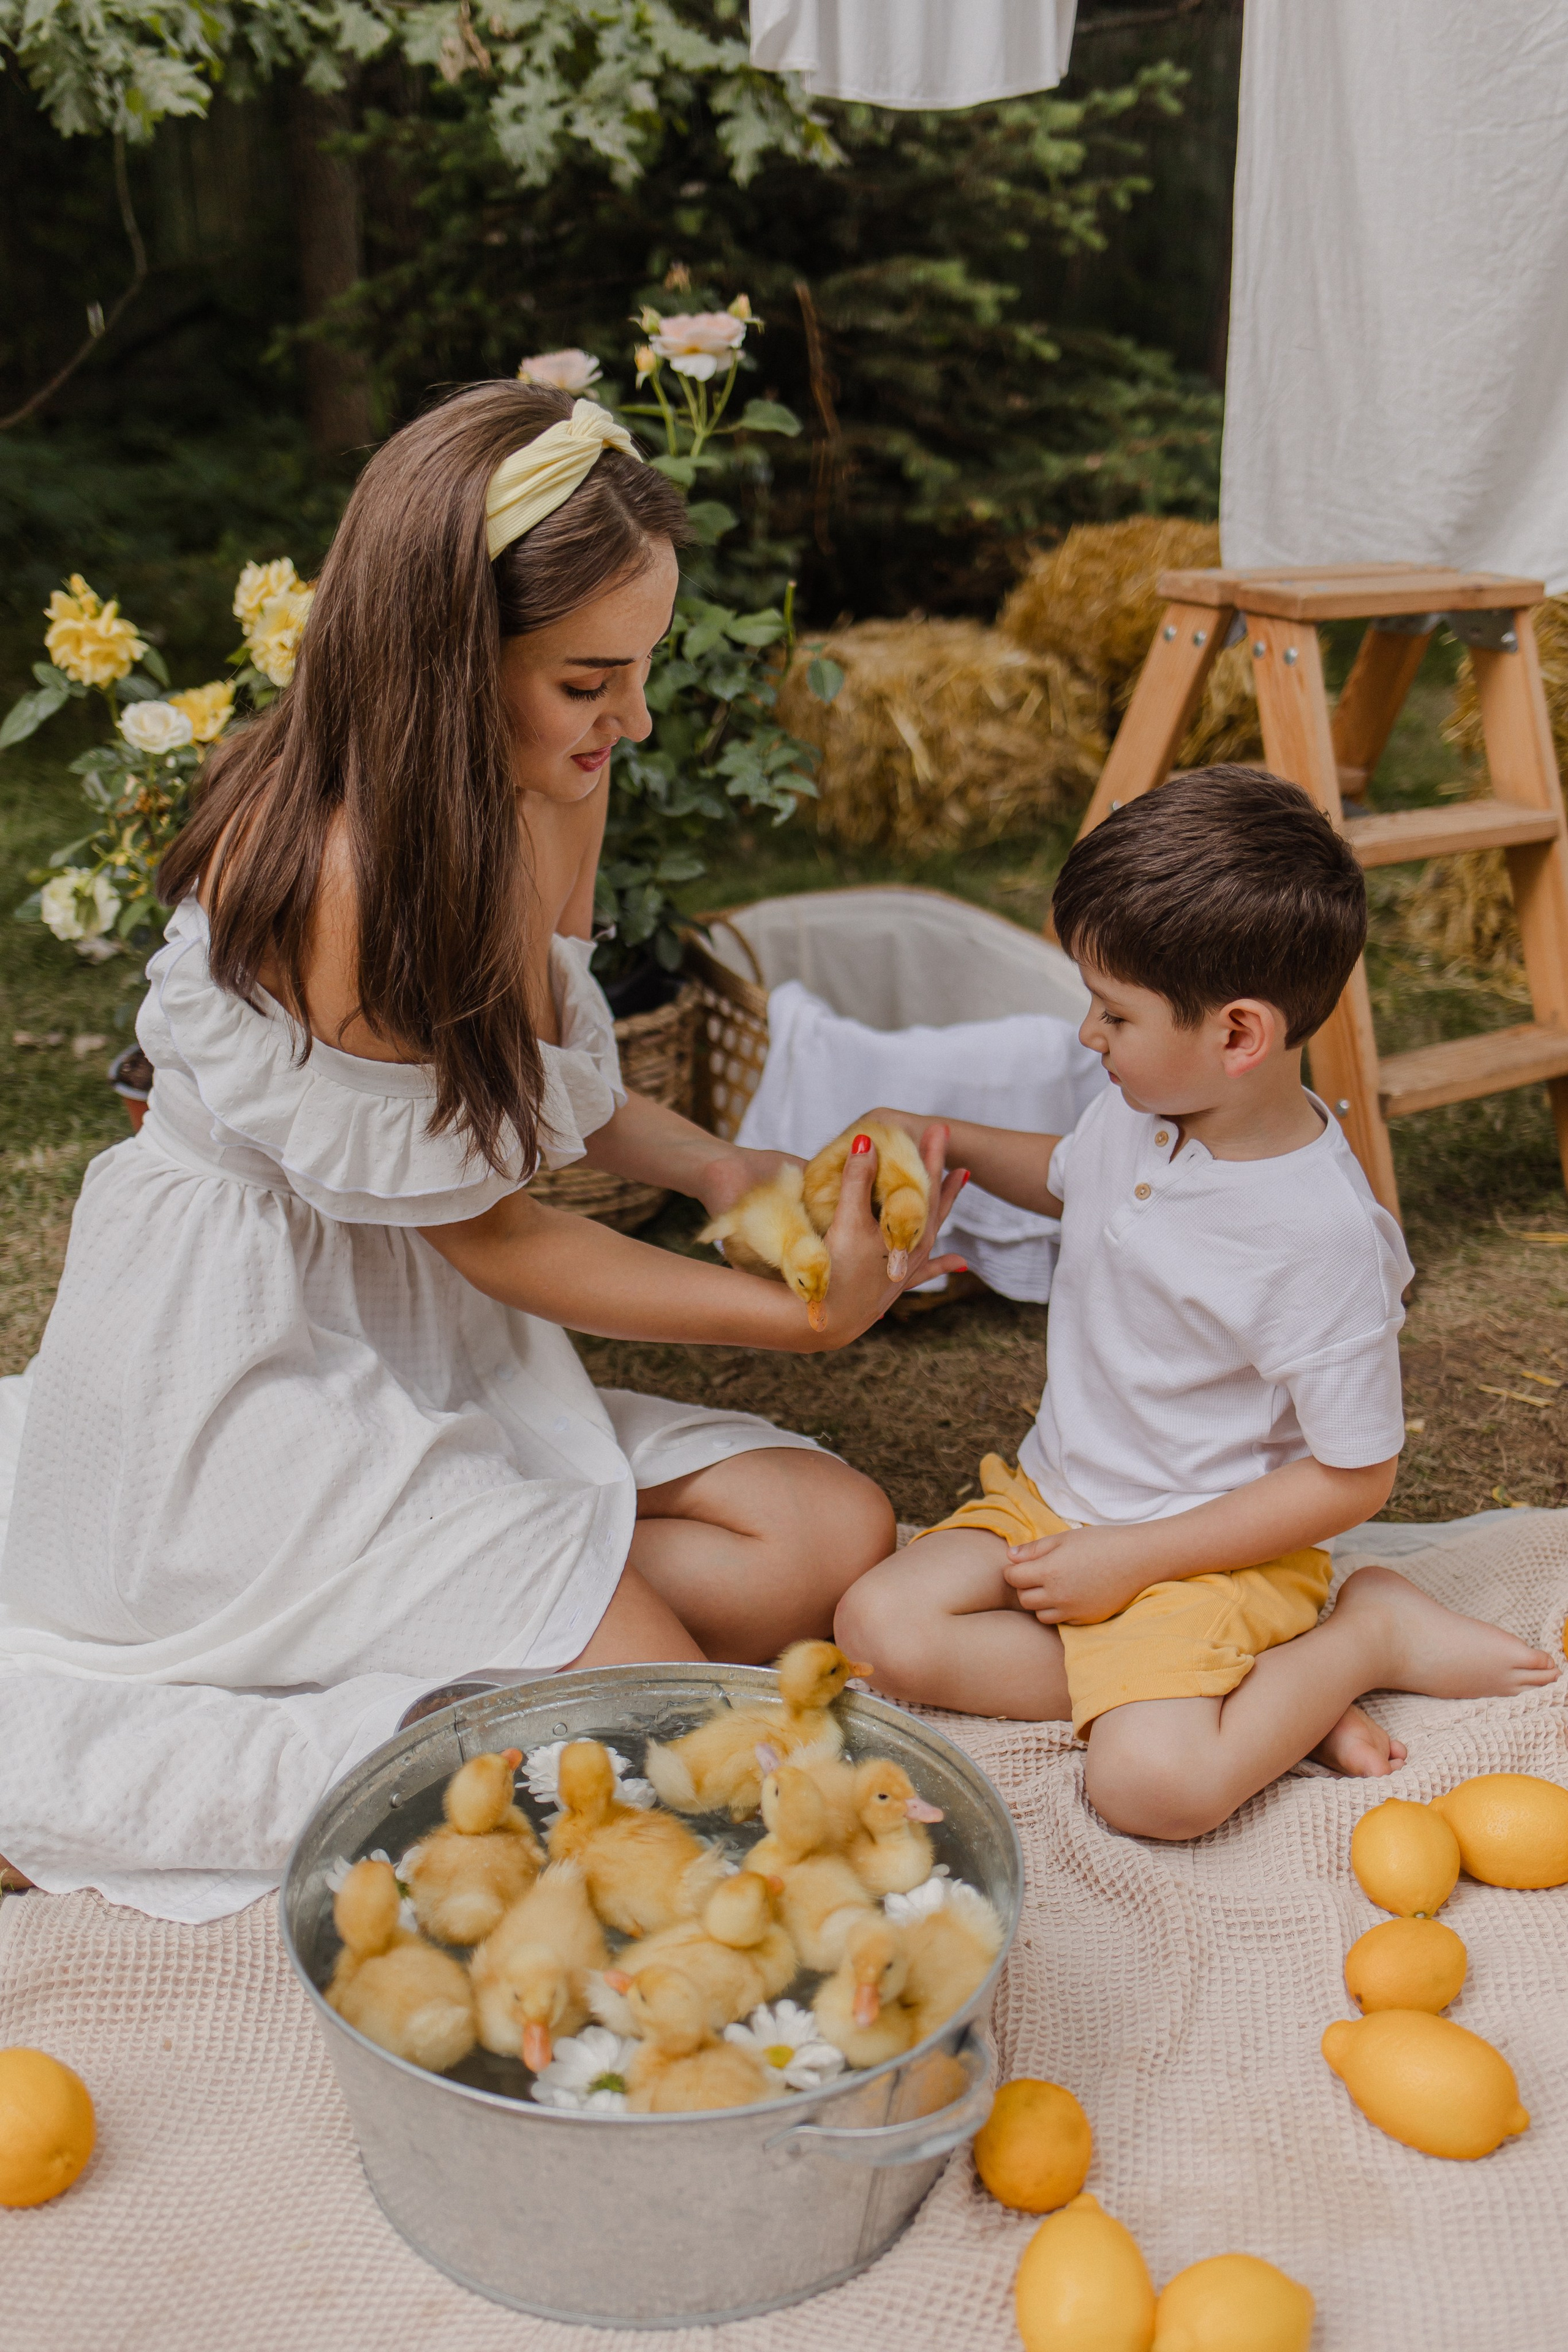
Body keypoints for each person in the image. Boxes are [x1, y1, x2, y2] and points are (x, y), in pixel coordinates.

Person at [0, 384, 960, 1908]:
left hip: (404, 1306)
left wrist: (720, 1174)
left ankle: (456, 1667)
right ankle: (144, 1771)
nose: (630, 721)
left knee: (824, 1539)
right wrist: (802, 1320)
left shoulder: (513, 782)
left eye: (635, 673)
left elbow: (529, 1076)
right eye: (592, 681)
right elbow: (496, 1229)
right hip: (256, 1360)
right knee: (660, 1726)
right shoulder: (348, 879)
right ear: (450, 661)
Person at [835, 767, 1557, 1840]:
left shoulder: (1316, 1237)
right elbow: (1073, 1177)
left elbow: (1357, 1473)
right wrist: (944, 1141)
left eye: (1113, 1012)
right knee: (875, 1627)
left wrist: (1135, 1560)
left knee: (1152, 1791)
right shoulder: (1153, 1104)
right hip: (1058, 1501)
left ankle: (1364, 1639)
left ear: (1237, 1036)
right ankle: (1245, 1696)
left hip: (1214, 1555)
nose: (1089, 1035)